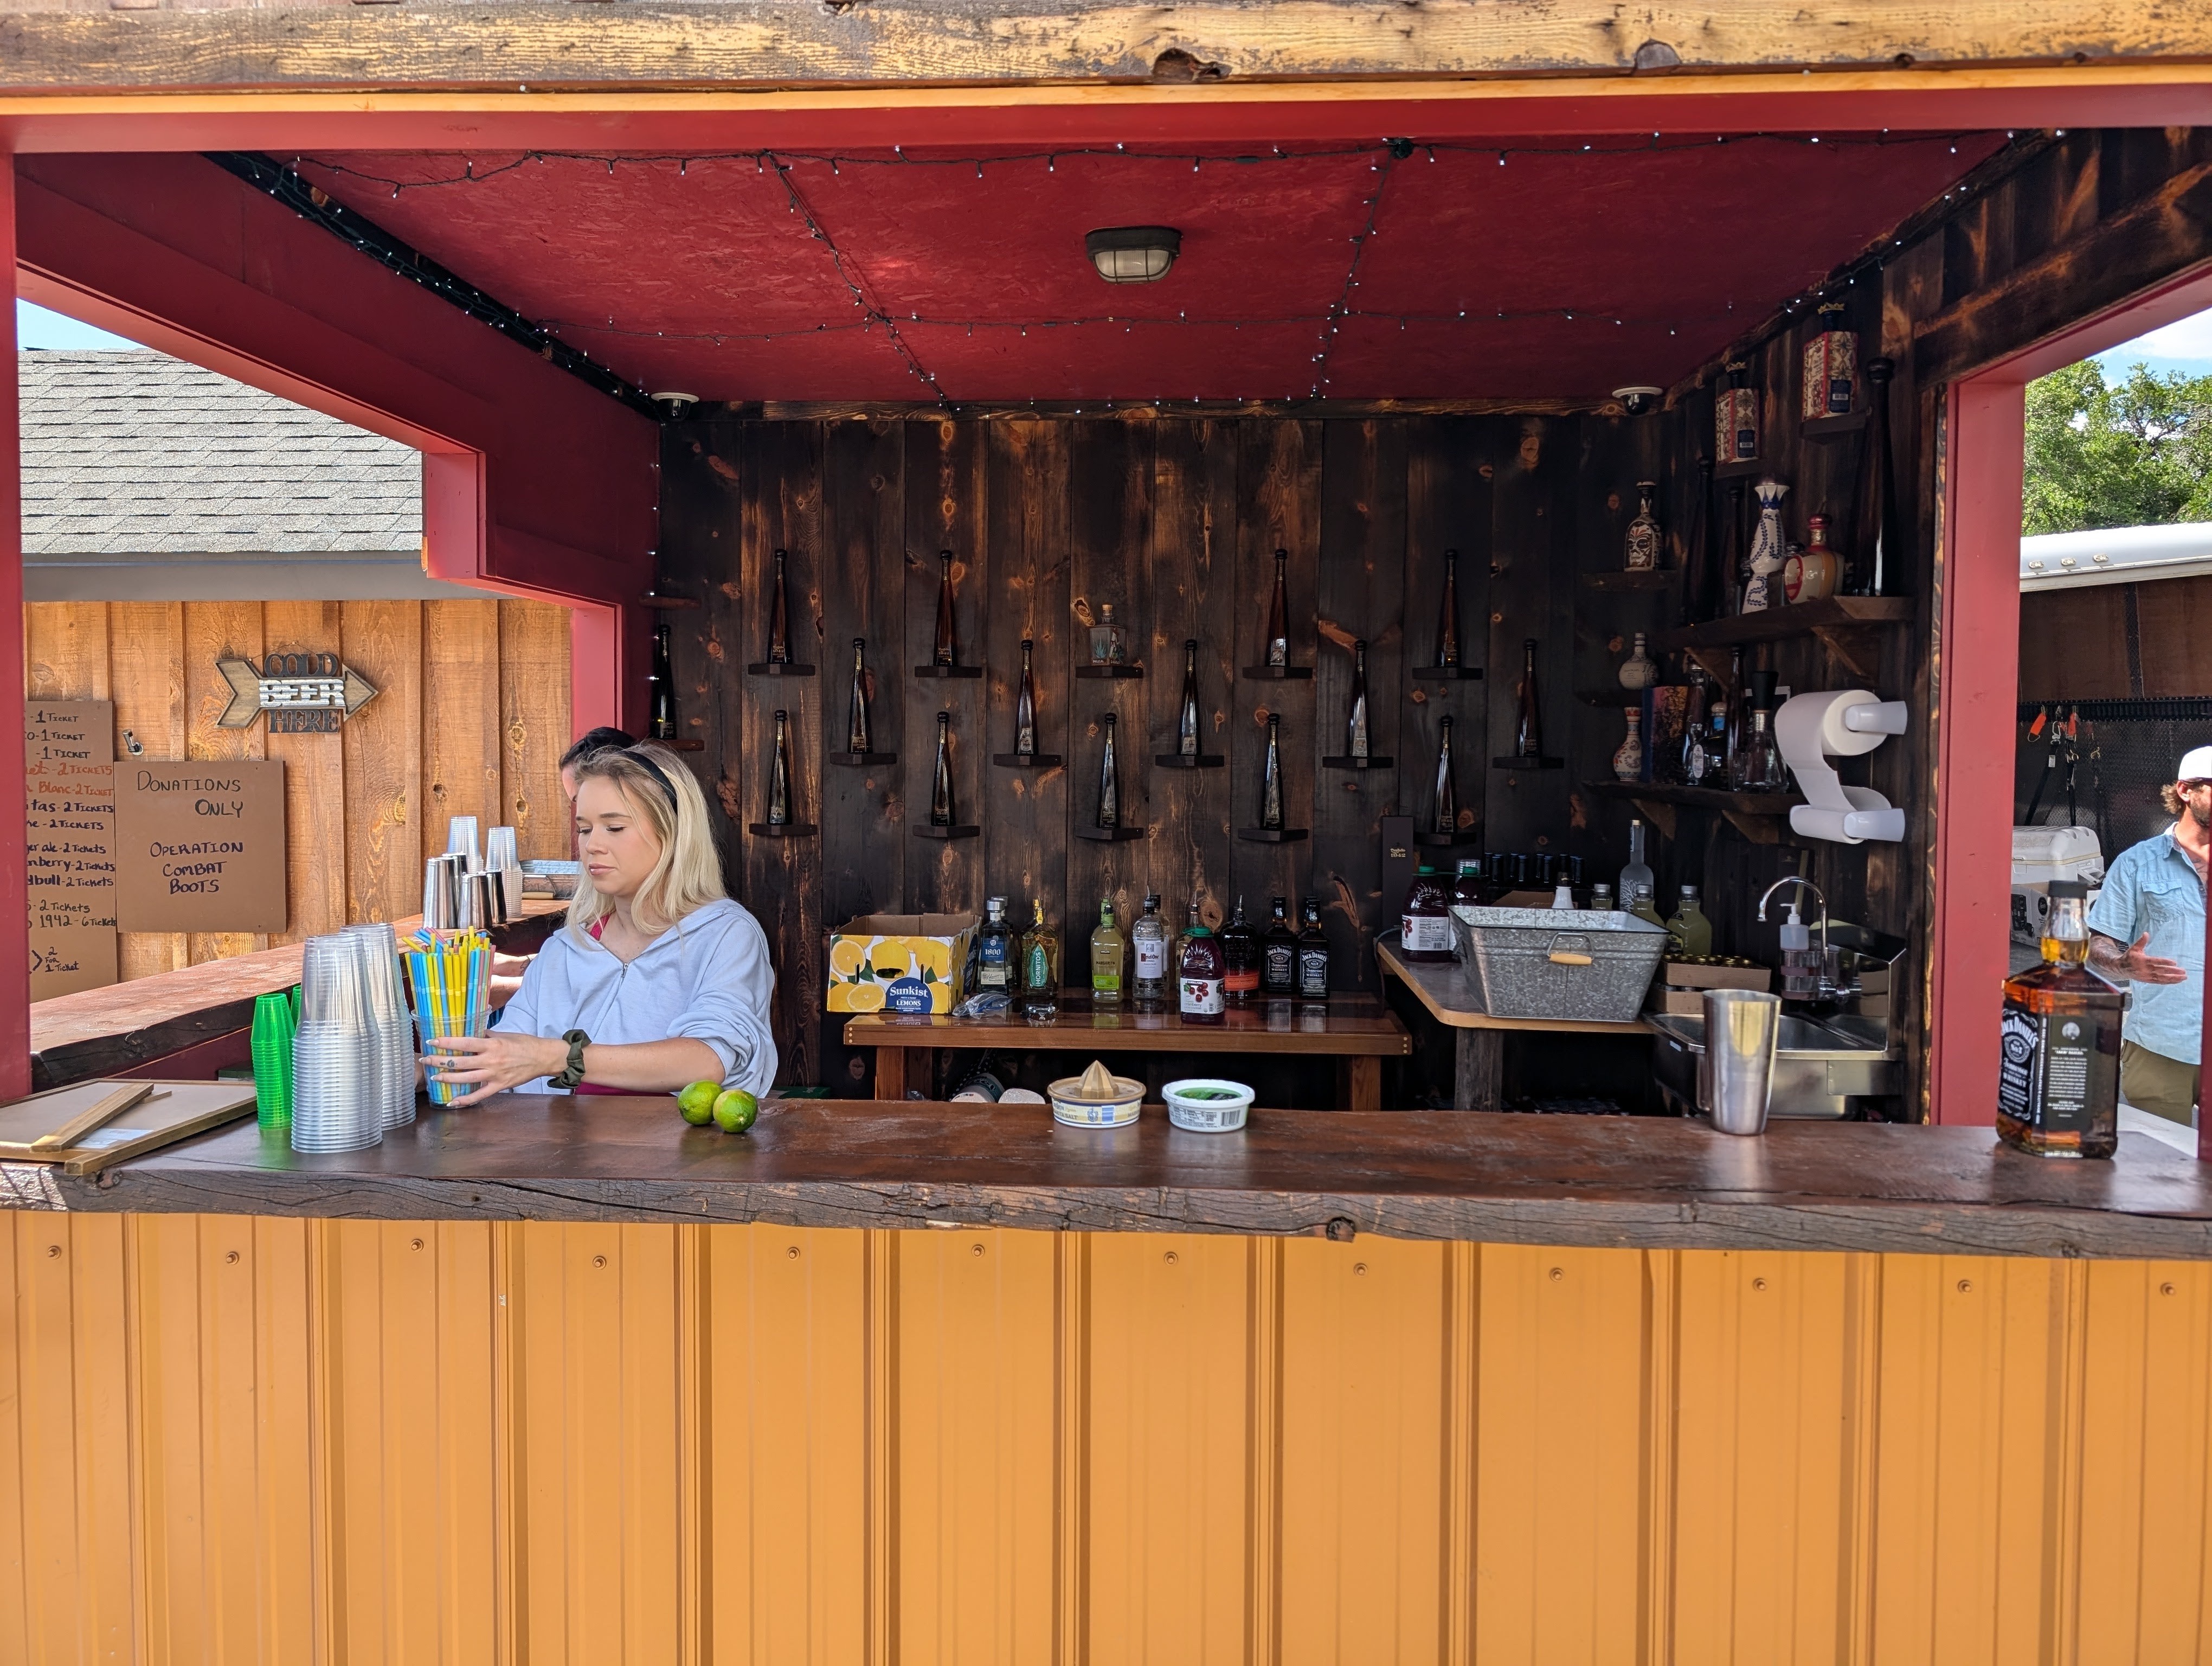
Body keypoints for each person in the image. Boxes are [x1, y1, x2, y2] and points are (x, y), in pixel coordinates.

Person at [430, 742, 777, 1102]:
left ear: (674, 832)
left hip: (678, 1139)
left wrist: (559, 1058)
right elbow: (508, 1047)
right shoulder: (565, 949)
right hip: (554, 1138)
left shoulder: (725, 934)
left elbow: (709, 1060)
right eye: (584, 829)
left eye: (614, 827)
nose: (592, 845)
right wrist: (429, 1069)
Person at [2086, 745, 2211, 1126]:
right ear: (2185, 790)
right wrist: (2123, 964)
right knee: (2158, 1155)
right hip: (2161, 1045)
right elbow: (2098, 945)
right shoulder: (2137, 864)